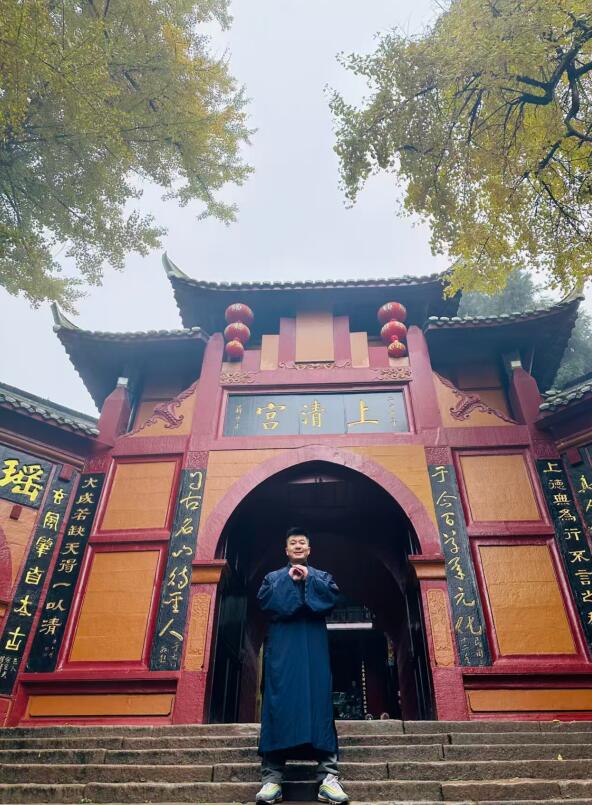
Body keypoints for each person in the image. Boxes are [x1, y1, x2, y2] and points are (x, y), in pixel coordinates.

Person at [255, 527, 349, 805]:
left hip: (314, 650)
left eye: (302, 543)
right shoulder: (273, 578)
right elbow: (267, 603)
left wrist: (308, 579)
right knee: (279, 704)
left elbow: (330, 600)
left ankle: (328, 777)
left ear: (309, 550)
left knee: (319, 705)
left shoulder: (322, 576)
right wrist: (289, 580)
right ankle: (272, 779)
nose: (297, 546)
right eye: (293, 543)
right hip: (282, 653)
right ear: (286, 550)